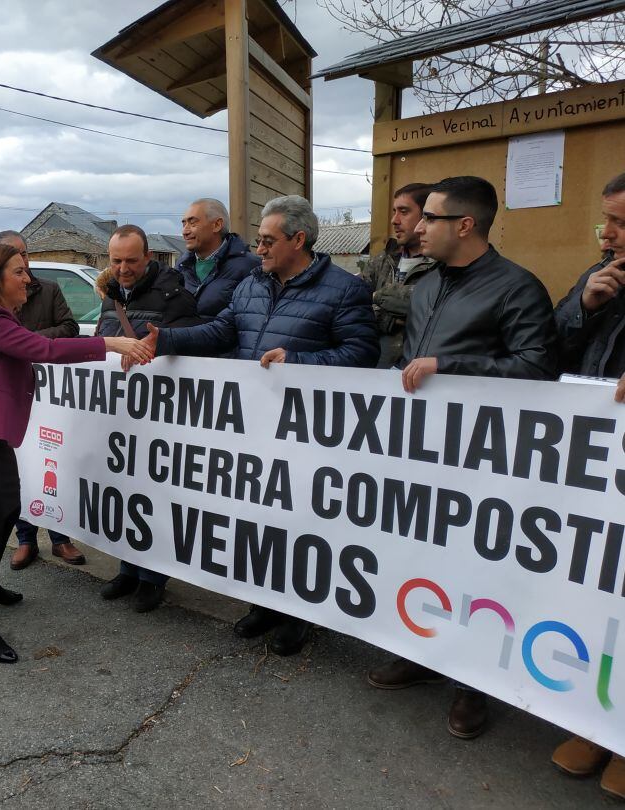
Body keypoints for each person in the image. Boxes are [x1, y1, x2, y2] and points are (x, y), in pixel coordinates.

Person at [139, 195, 379, 655]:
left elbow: (363, 355)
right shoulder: (253, 283)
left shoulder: (344, 290)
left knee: (302, 523)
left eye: (268, 241)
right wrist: (166, 339)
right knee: (260, 520)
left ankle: (300, 614)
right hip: (254, 429)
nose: (259, 249)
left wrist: (301, 361)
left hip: (311, 431)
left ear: (299, 240)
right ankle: (264, 603)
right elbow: (222, 331)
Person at [369, 176, 558, 741]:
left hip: (484, 461)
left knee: (478, 572)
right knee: (423, 559)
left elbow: (538, 370)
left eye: (430, 217)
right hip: (423, 453)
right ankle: (423, 653)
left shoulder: (517, 288)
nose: (418, 227)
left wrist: (451, 368)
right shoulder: (427, 287)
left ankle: (474, 685)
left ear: (465, 225)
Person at [0, 243, 152, 664]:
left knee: (7, 513)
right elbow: (46, 350)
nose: (28, 280)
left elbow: (33, 349)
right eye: (19, 272)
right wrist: (113, 343)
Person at [548, 172, 625, 800]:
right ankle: (600, 722)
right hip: (599, 464)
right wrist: (585, 307)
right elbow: (555, 346)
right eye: (607, 221)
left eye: (621, 223)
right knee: (602, 589)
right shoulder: (599, 273)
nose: (608, 234)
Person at [96, 225, 203, 612]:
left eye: (131, 261)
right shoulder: (110, 296)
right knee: (123, 493)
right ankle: (127, 568)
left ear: (149, 258)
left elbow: (190, 342)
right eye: (116, 261)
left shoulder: (175, 294)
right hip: (120, 415)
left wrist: (150, 348)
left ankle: (153, 577)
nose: (122, 269)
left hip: (161, 418)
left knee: (156, 496)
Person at [0, 230, 89, 570]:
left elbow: (70, 328)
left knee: (52, 464)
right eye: (16, 259)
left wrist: (29, 340)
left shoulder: (48, 289)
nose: (25, 265)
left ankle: (60, 538)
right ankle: (25, 539)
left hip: (51, 397)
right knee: (19, 468)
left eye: (25, 255)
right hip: (14, 396)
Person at [359, 182, 437, 368]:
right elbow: (353, 306)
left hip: (420, 379)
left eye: (404, 211)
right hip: (374, 371)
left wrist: (377, 298)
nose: (394, 220)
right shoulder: (382, 261)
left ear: (425, 217)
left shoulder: (442, 264)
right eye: (394, 211)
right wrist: (390, 318)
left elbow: (436, 310)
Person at [176, 197, 259, 320]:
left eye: (192, 223)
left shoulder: (250, 267)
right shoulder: (181, 266)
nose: (185, 231)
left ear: (217, 225)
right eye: (184, 224)